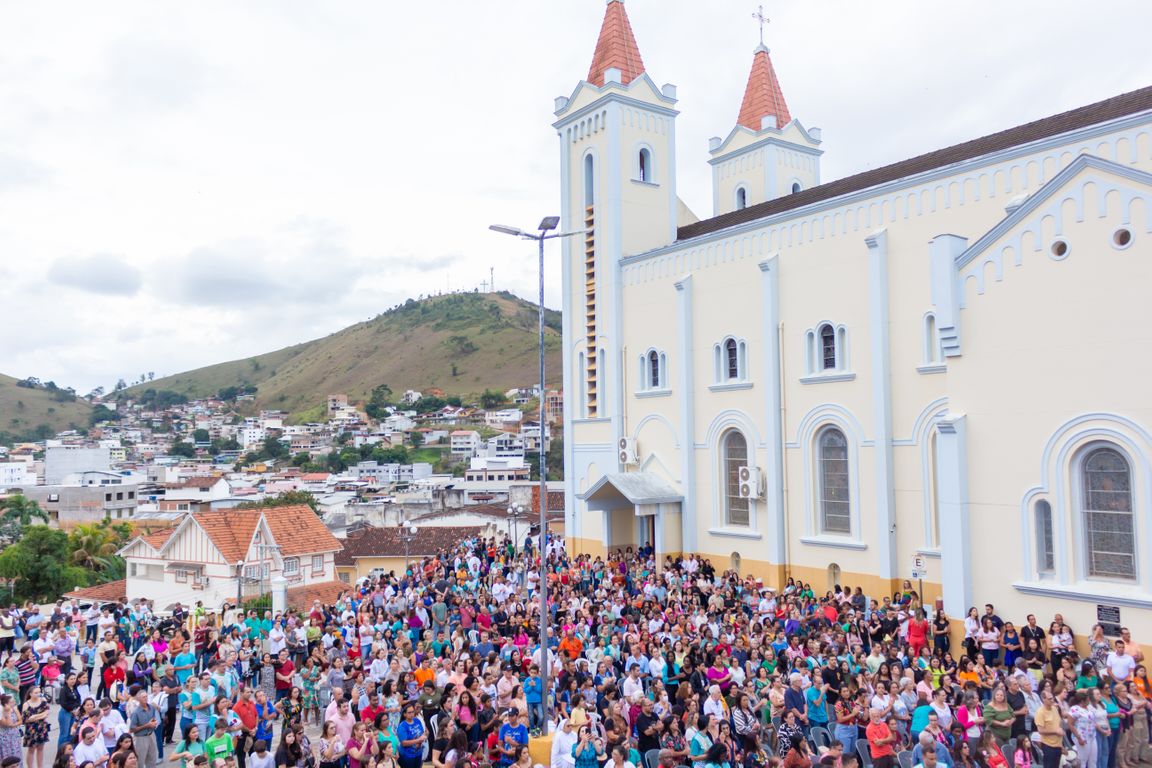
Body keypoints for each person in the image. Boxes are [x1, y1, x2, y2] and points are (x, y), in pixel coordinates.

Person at [130, 687, 161, 768]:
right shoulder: (136, 712)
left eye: (146, 696)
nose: (146, 698)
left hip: (151, 735)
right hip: (141, 738)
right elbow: (132, 729)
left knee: (152, 759)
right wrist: (147, 725)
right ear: (139, 699)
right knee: (140, 760)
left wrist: (154, 723)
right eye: (143, 697)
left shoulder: (151, 708)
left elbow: (153, 719)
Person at [23, 685, 52, 768]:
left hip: (42, 727)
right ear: (31, 694)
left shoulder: (43, 700)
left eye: (39, 692)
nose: (38, 694)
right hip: (31, 729)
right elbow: (26, 720)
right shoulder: (26, 704)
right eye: (36, 693)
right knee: (31, 749)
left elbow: (46, 713)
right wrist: (40, 715)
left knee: (40, 748)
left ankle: (40, 766)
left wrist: (35, 716)